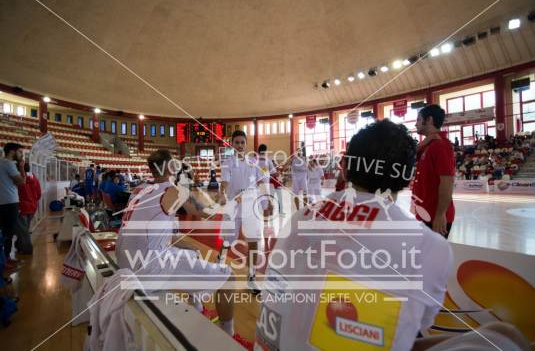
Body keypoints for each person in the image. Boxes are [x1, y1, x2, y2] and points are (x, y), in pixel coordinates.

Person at [255, 120, 453, 350]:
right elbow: (417, 326)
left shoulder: (298, 217)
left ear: (345, 167)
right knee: (500, 334)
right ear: (409, 177)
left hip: (271, 342)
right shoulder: (429, 247)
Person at [115, 150, 252, 348]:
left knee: (193, 253)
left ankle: (197, 307)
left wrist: (192, 250)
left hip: (126, 262)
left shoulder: (140, 190)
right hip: (146, 270)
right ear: (170, 167)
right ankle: (228, 337)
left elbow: (166, 235)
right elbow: (207, 213)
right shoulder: (172, 191)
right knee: (228, 277)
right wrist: (226, 201)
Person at [219, 130, 268, 294]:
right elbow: (224, 182)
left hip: (250, 205)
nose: (239, 145)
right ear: (232, 144)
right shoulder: (227, 162)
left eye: (242, 142)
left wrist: (266, 201)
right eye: (237, 142)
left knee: (253, 242)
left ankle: (251, 278)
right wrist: (222, 194)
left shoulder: (254, 162)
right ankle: (219, 270)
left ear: (246, 144)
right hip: (233, 205)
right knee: (227, 242)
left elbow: (261, 182)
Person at [412, 105, 455, 239]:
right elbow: (409, 156)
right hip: (424, 213)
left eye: (418, 120)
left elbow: (447, 181)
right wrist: (426, 141)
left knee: (433, 258)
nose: (415, 123)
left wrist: (440, 214)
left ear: (429, 120)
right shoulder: (428, 145)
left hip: (434, 216)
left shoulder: (440, 145)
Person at [0, 143, 27, 265]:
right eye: (19, 151)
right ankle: (6, 260)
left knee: (6, 232)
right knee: (9, 232)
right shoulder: (9, 164)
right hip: (10, 202)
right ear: (12, 152)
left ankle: (5, 259)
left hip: (3, 201)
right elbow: (21, 182)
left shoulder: (1, 163)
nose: (20, 154)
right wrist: (21, 167)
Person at [15, 163, 41, 255]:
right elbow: (39, 194)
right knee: (24, 229)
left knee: (23, 230)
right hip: (32, 207)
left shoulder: (18, 180)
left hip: (22, 208)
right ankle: (19, 245)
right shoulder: (35, 179)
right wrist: (33, 201)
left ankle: (27, 249)